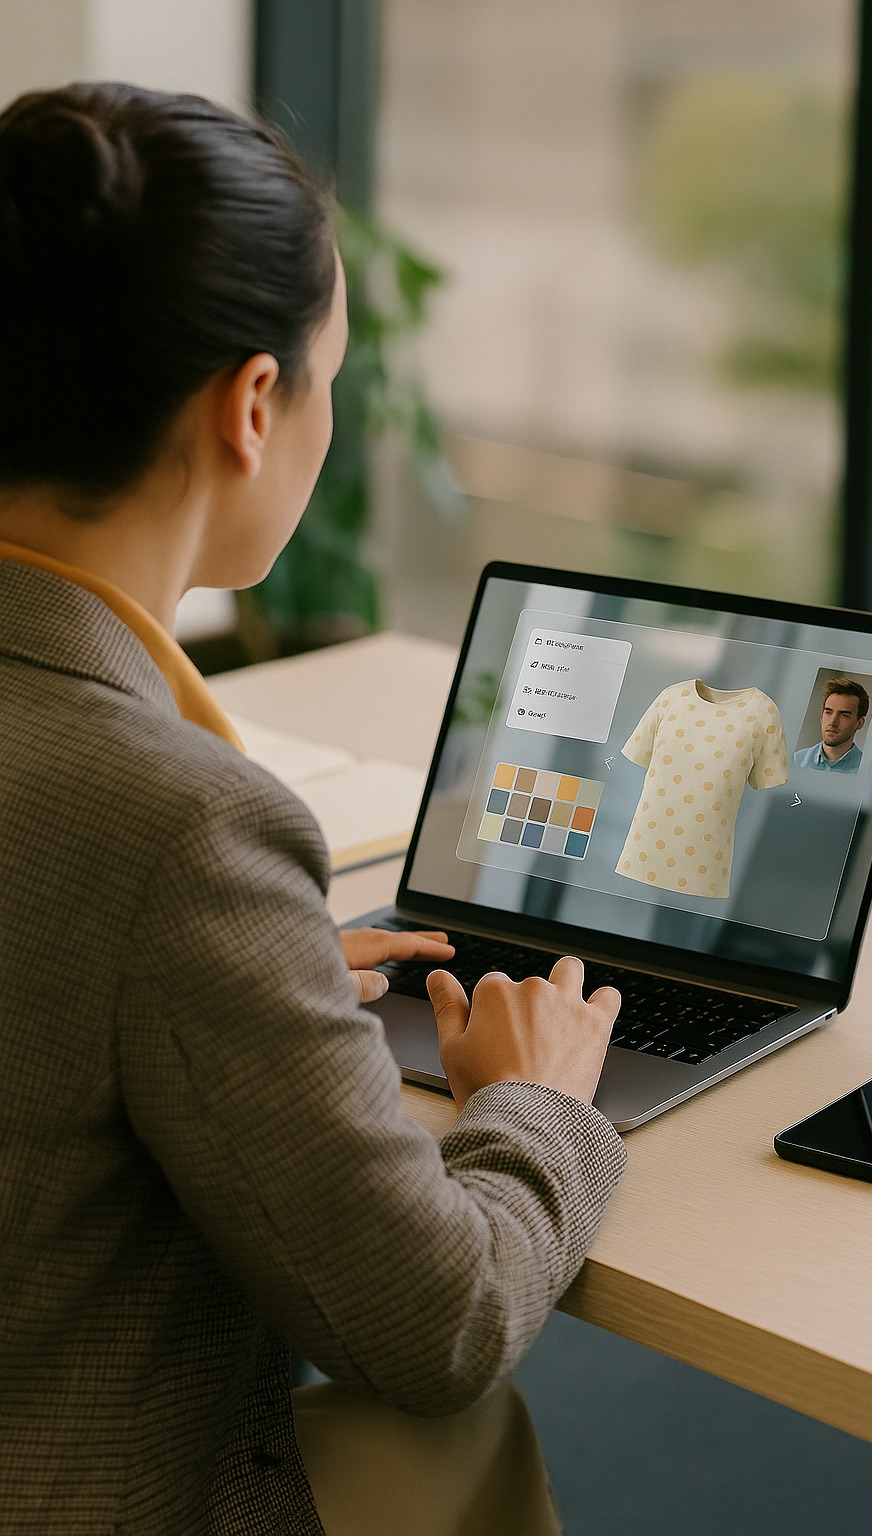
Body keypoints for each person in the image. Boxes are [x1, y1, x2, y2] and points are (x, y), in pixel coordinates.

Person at [0, 83, 625, 1534]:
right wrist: (534, 1100)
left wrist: (248, 967)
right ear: (255, 405)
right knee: (464, 1442)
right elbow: (435, 1327)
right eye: (330, 376)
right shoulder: (182, 828)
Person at [793, 678, 870, 774]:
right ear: (821, 716)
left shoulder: (867, 770)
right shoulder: (796, 761)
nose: (833, 722)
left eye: (844, 715)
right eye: (828, 712)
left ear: (860, 723)